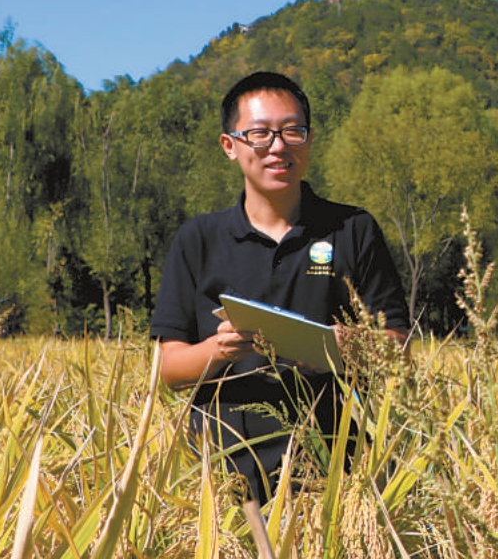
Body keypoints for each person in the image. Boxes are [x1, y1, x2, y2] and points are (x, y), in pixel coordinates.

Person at [150, 71, 409, 503]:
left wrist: (347, 346)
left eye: (293, 131)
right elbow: (167, 368)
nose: (278, 145)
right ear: (229, 146)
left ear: (308, 140)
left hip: (335, 472)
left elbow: (399, 346)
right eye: (259, 133)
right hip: (224, 474)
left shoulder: (353, 229)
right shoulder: (198, 240)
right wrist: (220, 349)